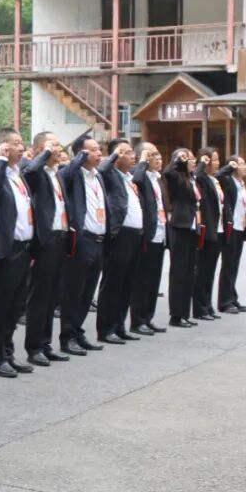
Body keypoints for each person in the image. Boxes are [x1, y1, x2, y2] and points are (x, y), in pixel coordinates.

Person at [0, 127, 35, 378]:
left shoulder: (18, 174)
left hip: (24, 248)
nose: (21, 147)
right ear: (3, 146)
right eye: (15, 143)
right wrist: (1, 160)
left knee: (15, 306)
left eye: (21, 142)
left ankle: (8, 353)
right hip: (7, 248)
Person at [21, 131, 71, 365]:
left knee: (52, 296)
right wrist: (45, 153)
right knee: (39, 296)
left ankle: (45, 343)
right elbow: (30, 170)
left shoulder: (56, 173)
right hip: (45, 240)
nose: (58, 148)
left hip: (61, 238)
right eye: (52, 145)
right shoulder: (36, 172)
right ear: (40, 150)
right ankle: (34, 347)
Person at [58, 134, 107, 355]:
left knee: (87, 292)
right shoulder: (73, 174)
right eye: (92, 150)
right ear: (80, 153)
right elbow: (63, 175)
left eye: (98, 149)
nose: (98, 153)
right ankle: (67, 336)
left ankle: (78, 331)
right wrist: (78, 160)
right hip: (82, 239)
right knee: (74, 291)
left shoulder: (98, 176)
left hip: (99, 239)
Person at [95, 139, 144, 344]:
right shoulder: (110, 174)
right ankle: (106, 329)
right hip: (120, 234)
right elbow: (102, 169)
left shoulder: (129, 177)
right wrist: (115, 154)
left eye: (132, 152)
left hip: (135, 234)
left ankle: (119, 325)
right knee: (113, 282)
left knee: (127, 283)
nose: (133, 156)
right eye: (127, 152)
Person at [129, 143, 168, 335]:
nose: (157, 158)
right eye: (151, 155)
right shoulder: (140, 176)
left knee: (154, 279)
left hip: (160, 233)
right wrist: (142, 162)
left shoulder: (157, 178)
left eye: (158, 154)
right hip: (147, 234)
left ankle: (148, 317)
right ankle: (138, 321)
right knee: (142, 280)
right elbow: (135, 179)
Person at [164, 148, 200, 328]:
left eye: (193, 159)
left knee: (189, 272)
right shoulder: (176, 178)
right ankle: (176, 315)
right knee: (179, 272)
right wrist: (178, 159)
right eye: (190, 159)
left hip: (192, 227)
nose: (193, 162)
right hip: (180, 227)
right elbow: (168, 172)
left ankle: (185, 312)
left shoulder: (192, 179)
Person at [216, 156, 246, 314]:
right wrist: (229, 167)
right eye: (242, 164)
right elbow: (218, 175)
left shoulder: (241, 183)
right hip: (230, 227)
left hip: (240, 228)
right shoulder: (228, 181)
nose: (245, 167)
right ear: (235, 166)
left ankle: (232, 296)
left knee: (234, 265)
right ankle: (224, 301)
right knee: (228, 265)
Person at [193, 147, 224, 321]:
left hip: (218, 229)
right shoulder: (202, 179)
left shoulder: (215, 180)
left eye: (218, 159)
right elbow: (196, 176)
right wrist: (202, 164)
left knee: (211, 271)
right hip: (207, 230)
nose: (218, 163)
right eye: (214, 160)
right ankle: (200, 308)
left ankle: (208, 304)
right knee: (202, 271)